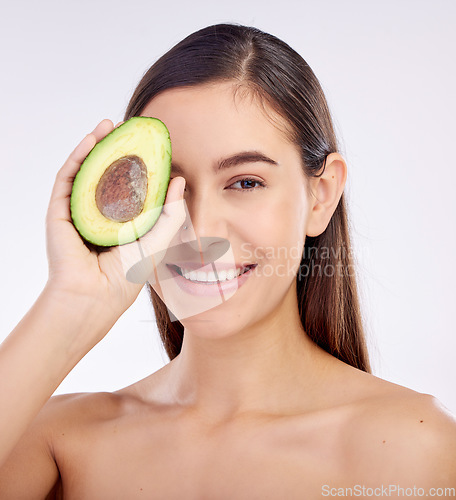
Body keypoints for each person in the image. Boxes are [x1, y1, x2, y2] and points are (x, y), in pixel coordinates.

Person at [0, 23, 455, 498]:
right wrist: (69, 305)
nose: (200, 227)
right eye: (166, 188)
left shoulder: (416, 452)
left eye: (245, 182)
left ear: (321, 195)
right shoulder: (54, 444)